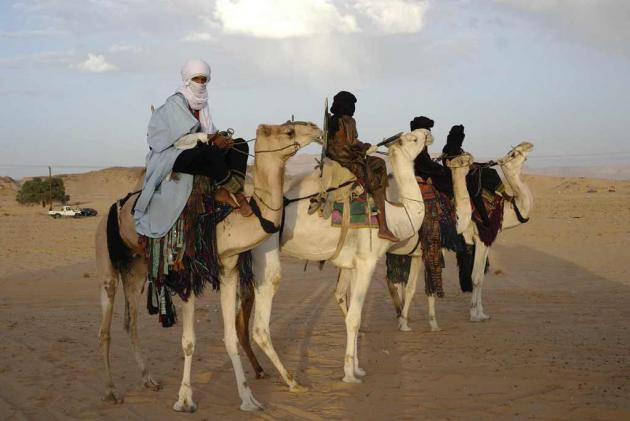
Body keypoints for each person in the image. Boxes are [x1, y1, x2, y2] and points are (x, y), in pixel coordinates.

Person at [134, 59, 251, 239]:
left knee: (240, 145)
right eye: (198, 79)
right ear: (187, 80)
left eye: (204, 80)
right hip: (173, 154)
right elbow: (178, 140)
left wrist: (221, 139)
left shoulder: (203, 104)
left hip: (199, 148)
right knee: (209, 153)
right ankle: (237, 195)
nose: (201, 84)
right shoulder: (175, 103)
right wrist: (209, 138)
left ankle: (230, 187)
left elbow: (208, 131)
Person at [326, 90, 399, 242]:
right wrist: (367, 148)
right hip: (348, 160)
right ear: (347, 106)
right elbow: (352, 144)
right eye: (352, 105)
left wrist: (366, 146)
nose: (354, 108)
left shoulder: (333, 120)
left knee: (376, 162)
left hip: (336, 157)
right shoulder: (348, 120)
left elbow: (347, 143)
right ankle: (383, 225)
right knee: (378, 166)